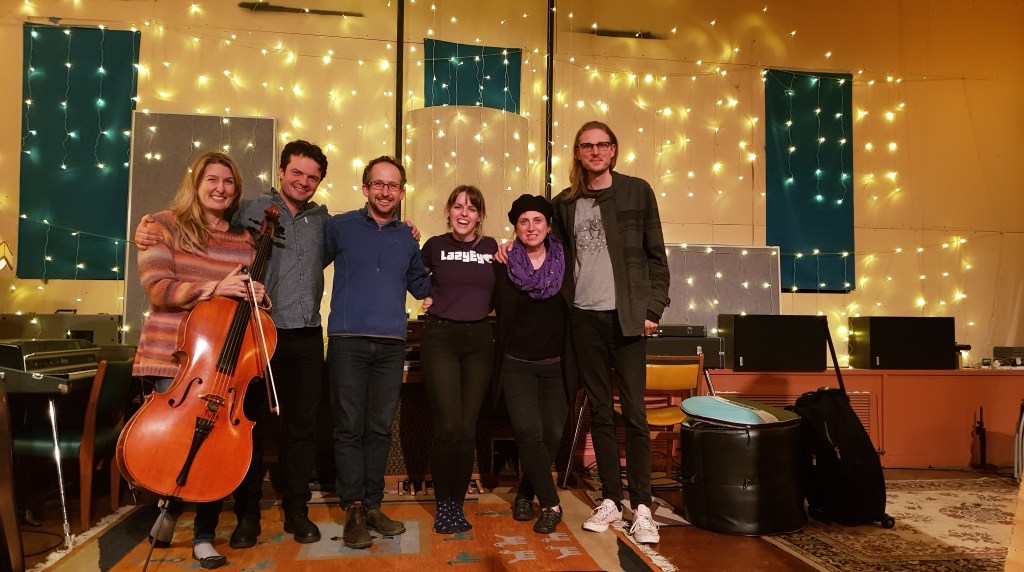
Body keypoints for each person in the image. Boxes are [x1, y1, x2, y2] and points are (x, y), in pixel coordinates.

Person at [136, 140, 331, 546]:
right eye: (296, 172)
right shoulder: (242, 214)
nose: (304, 181)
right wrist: (146, 228)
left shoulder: (317, 222)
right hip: (232, 343)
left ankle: (290, 512)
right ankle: (241, 514)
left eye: (312, 176)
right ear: (281, 172)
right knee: (239, 429)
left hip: (287, 335)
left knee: (294, 428)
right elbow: (160, 283)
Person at [133, 152, 268, 569]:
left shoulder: (243, 240)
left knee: (213, 448)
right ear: (195, 183)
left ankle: (203, 535)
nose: (220, 189)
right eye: (212, 179)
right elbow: (158, 288)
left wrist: (257, 296)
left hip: (220, 365)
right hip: (175, 359)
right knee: (176, 445)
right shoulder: (161, 226)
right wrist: (214, 287)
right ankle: (170, 506)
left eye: (228, 182)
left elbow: (239, 303)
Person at [554, 121, 670, 544]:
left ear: (614, 150)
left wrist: (653, 308)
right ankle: (610, 500)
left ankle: (642, 507)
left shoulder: (637, 191)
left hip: (627, 319)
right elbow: (546, 248)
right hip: (584, 318)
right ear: (577, 152)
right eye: (587, 145)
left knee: (635, 413)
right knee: (600, 412)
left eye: (602, 144)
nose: (595, 151)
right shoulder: (565, 203)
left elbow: (657, 256)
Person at [323, 156, 430, 549]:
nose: (386, 191)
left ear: (402, 192)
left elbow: (422, 285)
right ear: (365, 187)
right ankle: (353, 508)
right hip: (348, 341)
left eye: (393, 185)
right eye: (379, 184)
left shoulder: (407, 238)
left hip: (390, 345)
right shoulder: (340, 226)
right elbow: (307, 262)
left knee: (379, 429)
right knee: (348, 428)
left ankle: (372, 505)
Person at [418, 186, 497, 534]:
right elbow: (412, 277)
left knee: (466, 428)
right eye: (458, 206)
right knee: (448, 426)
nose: (464, 213)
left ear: (479, 215)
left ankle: (456, 503)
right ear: (449, 211)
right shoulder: (434, 246)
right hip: (441, 338)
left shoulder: (493, 248)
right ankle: (443, 504)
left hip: (479, 339)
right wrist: (425, 295)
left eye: (472, 208)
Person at [493, 194, 570, 535]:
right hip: (516, 365)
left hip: (556, 366)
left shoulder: (567, 263)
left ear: (549, 226)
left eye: (538, 220)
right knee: (528, 433)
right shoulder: (503, 263)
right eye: (523, 221)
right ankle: (551, 505)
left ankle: (525, 493)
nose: (531, 227)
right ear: (516, 228)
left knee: (552, 434)